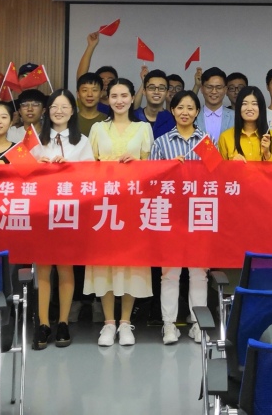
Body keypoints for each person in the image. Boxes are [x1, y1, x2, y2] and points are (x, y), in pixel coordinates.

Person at [87, 78, 154, 347]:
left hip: (133, 205)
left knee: (131, 262)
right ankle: (108, 323)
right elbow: (87, 167)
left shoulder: (143, 128)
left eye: (124, 95)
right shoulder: (97, 128)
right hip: (104, 206)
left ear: (132, 97)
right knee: (104, 262)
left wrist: (137, 164)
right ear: (108, 98)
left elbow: (152, 168)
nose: (119, 100)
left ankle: (125, 322)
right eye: (114, 95)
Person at [31, 89, 94, 350]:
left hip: (69, 212)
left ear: (72, 111)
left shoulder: (83, 142)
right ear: (47, 111)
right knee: (43, 269)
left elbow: (92, 177)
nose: (59, 111)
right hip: (41, 212)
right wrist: (38, 165)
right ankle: (44, 323)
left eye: (65, 106)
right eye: (54, 107)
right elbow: (21, 175)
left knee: (66, 268)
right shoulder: (35, 140)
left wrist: (69, 166)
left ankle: (64, 322)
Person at [149, 90, 210, 344]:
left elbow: (217, 178)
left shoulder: (206, 141)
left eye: (190, 108)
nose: (185, 112)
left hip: (199, 213)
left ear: (197, 112)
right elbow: (151, 181)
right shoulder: (161, 143)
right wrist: (168, 168)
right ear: (172, 111)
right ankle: (169, 325)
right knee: (170, 273)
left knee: (199, 273)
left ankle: (198, 325)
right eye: (180, 107)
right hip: (170, 214)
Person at [219, 86, 272, 162]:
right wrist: (232, 165)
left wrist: (267, 154)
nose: (249, 108)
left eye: (254, 104)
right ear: (239, 107)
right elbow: (220, 168)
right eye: (244, 103)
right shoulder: (225, 137)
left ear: (261, 108)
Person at [196, 67, 234, 144]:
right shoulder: (193, 116)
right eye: (209, 87)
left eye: (218, 87)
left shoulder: (235, 117)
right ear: (201, 89)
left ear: (225, 89)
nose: (214, 91)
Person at [133, 69, 175, 138]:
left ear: (167, 93)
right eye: (151, 88)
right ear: (144, 91)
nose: (156, 92)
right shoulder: (133, 117)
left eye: (161, 88)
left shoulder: (172, 121)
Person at [75, 72, 108, 137]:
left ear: (101, 93)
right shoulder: (70, 120)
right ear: (78, 94)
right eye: (85, 90)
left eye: (94, 90)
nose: (90, 94)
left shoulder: (107, 121)